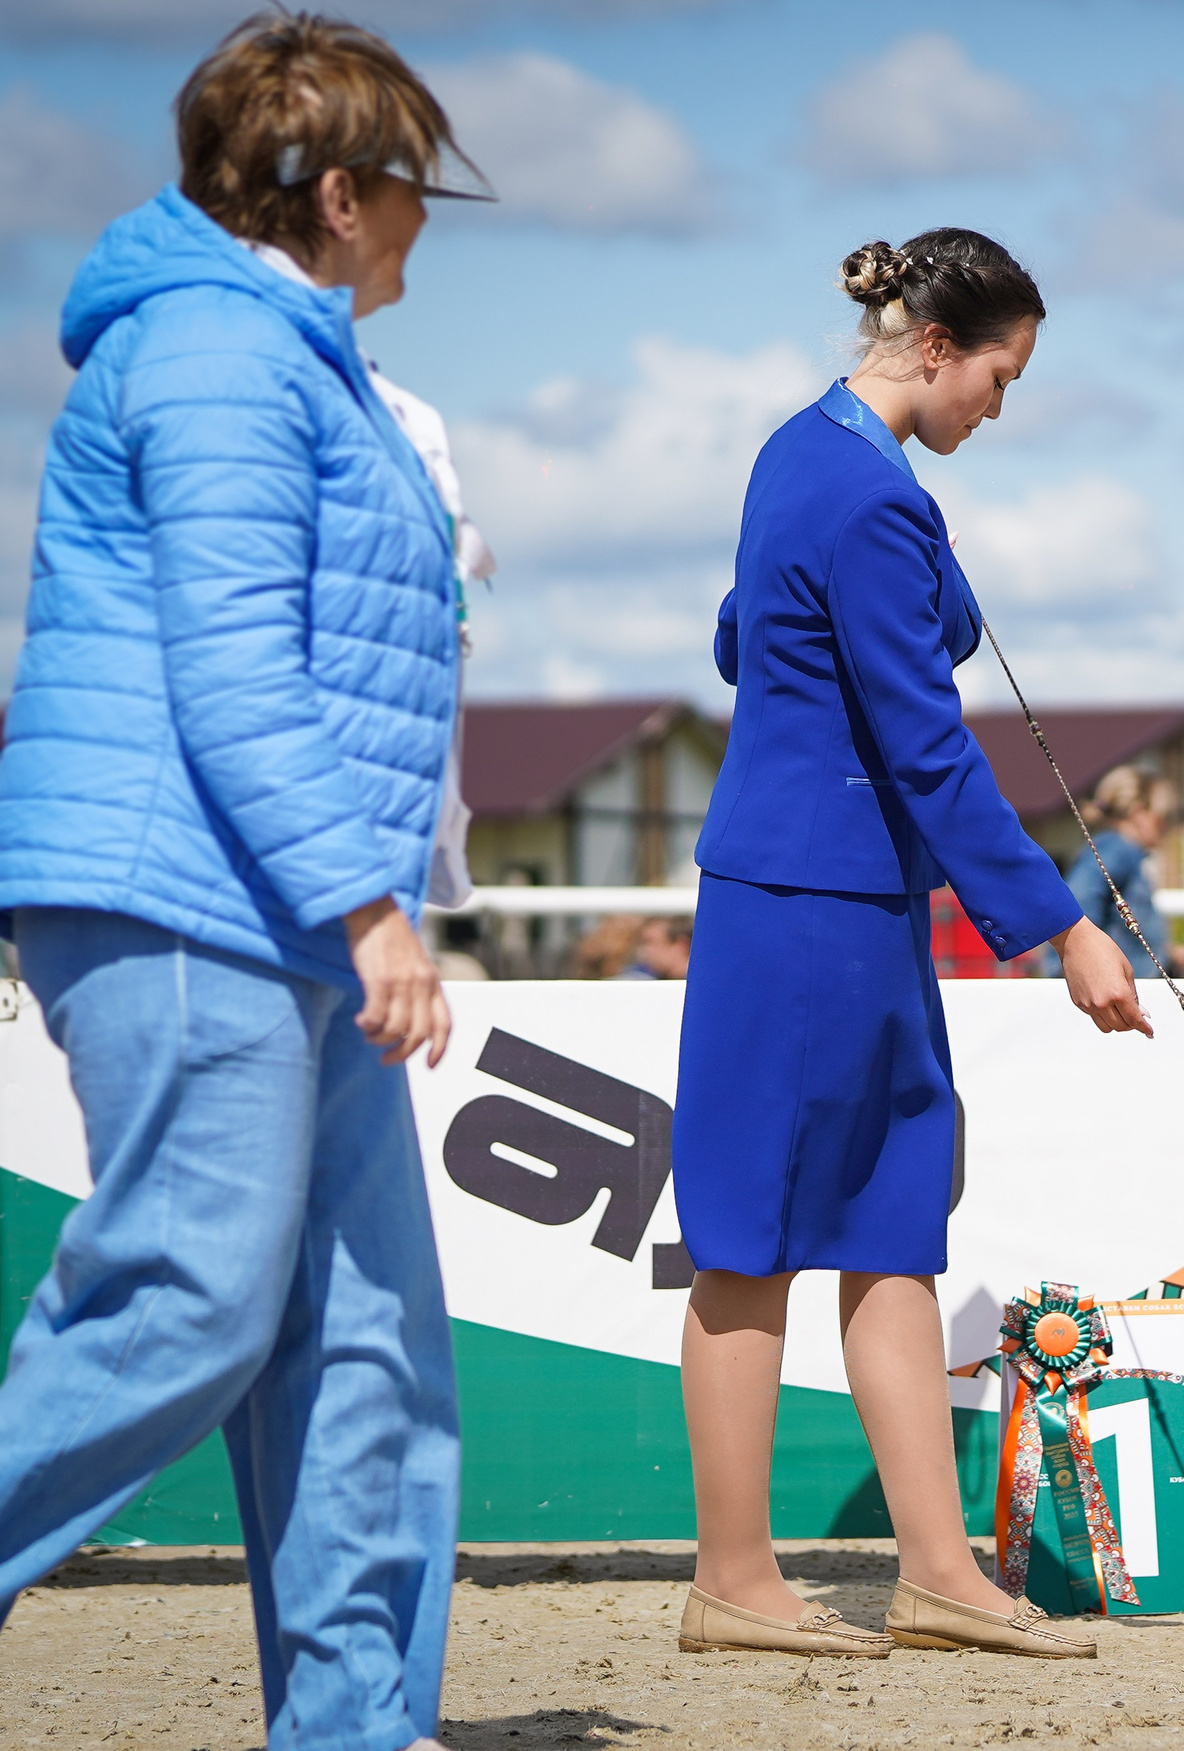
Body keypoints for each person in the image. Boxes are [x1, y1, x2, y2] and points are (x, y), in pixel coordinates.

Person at [0, 17, 481, 1748]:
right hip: (187, 889)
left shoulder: (290, 354)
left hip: (276, 898)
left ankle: (358, 1725)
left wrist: (347, 905)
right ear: (343, 193)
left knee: (366, 1352)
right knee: (188, 1301)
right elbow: (234, 667)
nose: (431, 220)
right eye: (421, 184)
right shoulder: (215, 350)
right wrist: (369, 904)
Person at [676, 228, 1147, 1664]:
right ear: (938, 344)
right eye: (1001, 376)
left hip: (828, 899)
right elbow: (928, 746)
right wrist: (1063, 921)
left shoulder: (796, 455)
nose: (1000, 407)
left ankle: (937, 1571)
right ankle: (737, 1580)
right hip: (813, 905)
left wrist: (919, 561)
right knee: (755, 1240)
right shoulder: (872, 496)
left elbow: (735, 639)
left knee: (889, 1226)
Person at [1067, 765, 1184, 975]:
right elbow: (1079, 901)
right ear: (1139, 812)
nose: (1167, 826)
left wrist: (1168, 956)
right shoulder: (1117, 850)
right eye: (1163, 816)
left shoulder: (1123, 854)